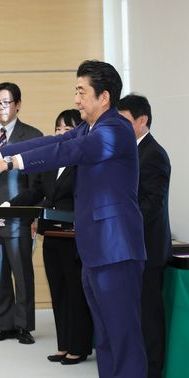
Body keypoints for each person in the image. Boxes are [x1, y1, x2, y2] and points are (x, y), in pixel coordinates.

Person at [0, 60, 148, 378]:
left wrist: (10, 164)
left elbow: (67, 153)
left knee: (123, 337)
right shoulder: (90, 127)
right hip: (94, 250)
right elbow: (52, 142)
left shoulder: (114, 129)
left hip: (116, 250)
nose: (76, 99)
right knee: (104, 337)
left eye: (81, 91)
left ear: (103, 97)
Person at [9, 109, 93, 365]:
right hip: (52, 234)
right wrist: (7, 206)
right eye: (58, 129)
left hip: (74, 236)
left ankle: (79, 346)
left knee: (76, 292)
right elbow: (35, 193)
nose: (61, 134)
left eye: (68, 130)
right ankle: (64, 344)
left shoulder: (83, 162)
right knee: (58, 291)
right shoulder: (52, 162)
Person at [0, 82, 42, 345]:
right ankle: (5, 325)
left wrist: (34, 214)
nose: (1, 108)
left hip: (19, 213)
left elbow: (36, 181)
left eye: (7, 102)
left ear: (18, 105)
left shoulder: (32, 135)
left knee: (22, 271)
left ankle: (24, 326)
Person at [118, 94, 171, 378]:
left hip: (147, 250)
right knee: (134, 315)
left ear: (142, 121)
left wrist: (119, 219)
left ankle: (152, 371)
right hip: (128, 248)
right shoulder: (128, 152)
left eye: (125, 121)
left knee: (149, 316)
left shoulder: (154, 154)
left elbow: (152, 204)